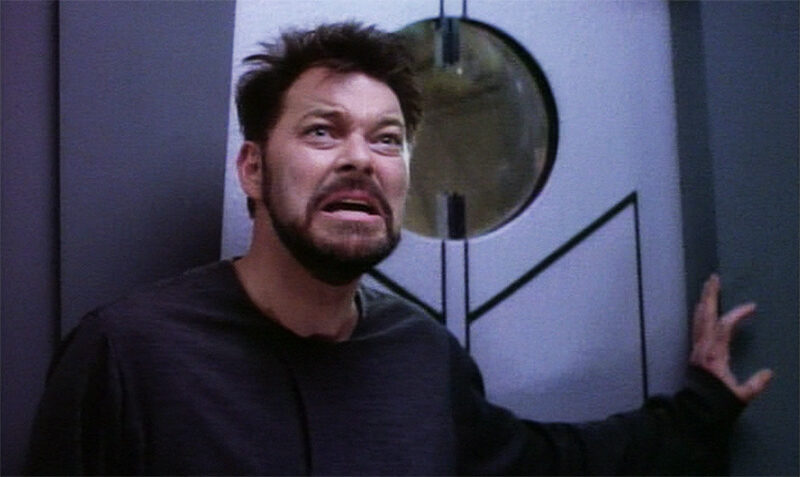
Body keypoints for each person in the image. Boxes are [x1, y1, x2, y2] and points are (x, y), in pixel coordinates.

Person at [26, 22, 772, 475]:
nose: (361, 158)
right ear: (252, 169)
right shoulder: (128, 354)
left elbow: (543, 461)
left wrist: (701, 410)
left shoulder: (422, 357)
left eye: (387, 140)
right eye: (323, 131)